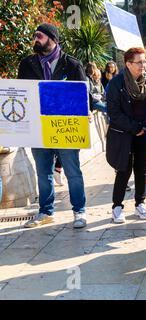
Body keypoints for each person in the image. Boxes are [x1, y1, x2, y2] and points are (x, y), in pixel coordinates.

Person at [18, 23, 88, 229]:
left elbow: (83, 97)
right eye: (34, 36)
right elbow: (22, 94)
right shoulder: (27, 63)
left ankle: (79, 211)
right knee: (43, 172)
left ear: (53, 39)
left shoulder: (72, 65)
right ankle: (45, 212)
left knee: (72, 171)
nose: (35, 39)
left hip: (65, 127)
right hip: (38, 127)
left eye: (39, 36)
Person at [106, 47, 146, 223]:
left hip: (144, 134)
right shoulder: (116, 83)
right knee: (123, 170)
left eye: (145, 61)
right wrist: (134, 127)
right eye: (139, 62)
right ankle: (117, 206)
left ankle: (140, 203)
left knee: (142, 170)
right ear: (128, 64)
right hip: (124, 135)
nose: (143, 65)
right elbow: (114, 112)